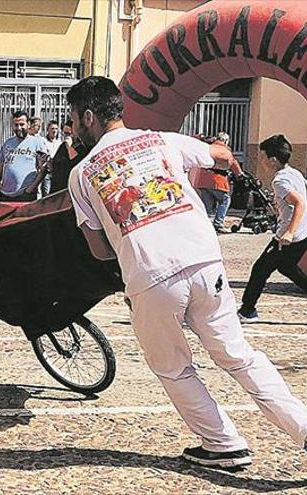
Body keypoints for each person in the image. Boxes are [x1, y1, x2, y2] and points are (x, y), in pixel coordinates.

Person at [66, 75, 307, 468]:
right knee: (239, 356)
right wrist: (224, 164)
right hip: (204, 261)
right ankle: (304, 427)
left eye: (74, 120)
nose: (74, 128)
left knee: (173, 367)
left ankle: (223, 442)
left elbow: (98, 249)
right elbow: (220, 155)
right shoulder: (162, 140)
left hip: (151, 274)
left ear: (89, 117)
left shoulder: (82, 173)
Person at [238, 134, 307, 323]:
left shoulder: (280, 181)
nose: (261, 161)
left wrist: (289, 232)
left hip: (289, 236)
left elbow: (300, 203)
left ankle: (247, 311)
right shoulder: (295, 173)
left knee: (260, 269)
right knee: (286, 267)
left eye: (262, 157)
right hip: (303, 233)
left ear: (273, 159)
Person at [189, 132, 243, 233]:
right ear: (225, 141)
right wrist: (239, 174)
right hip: (216, 180)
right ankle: (218, 223)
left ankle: (206, 225)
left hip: (202, 180)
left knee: (207, 205)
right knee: (225, 200)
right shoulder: (224, 150)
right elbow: (233, 162)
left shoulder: (208, 147)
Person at [0, 110, 49, 202]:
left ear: (28, 124)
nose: (19, 128)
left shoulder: (37, 143)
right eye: (16, 125)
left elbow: (43, 169)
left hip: (25, 194)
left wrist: (31, 188)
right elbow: (0, 164)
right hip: (5, 194)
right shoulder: (8, 143)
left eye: (22, 124)